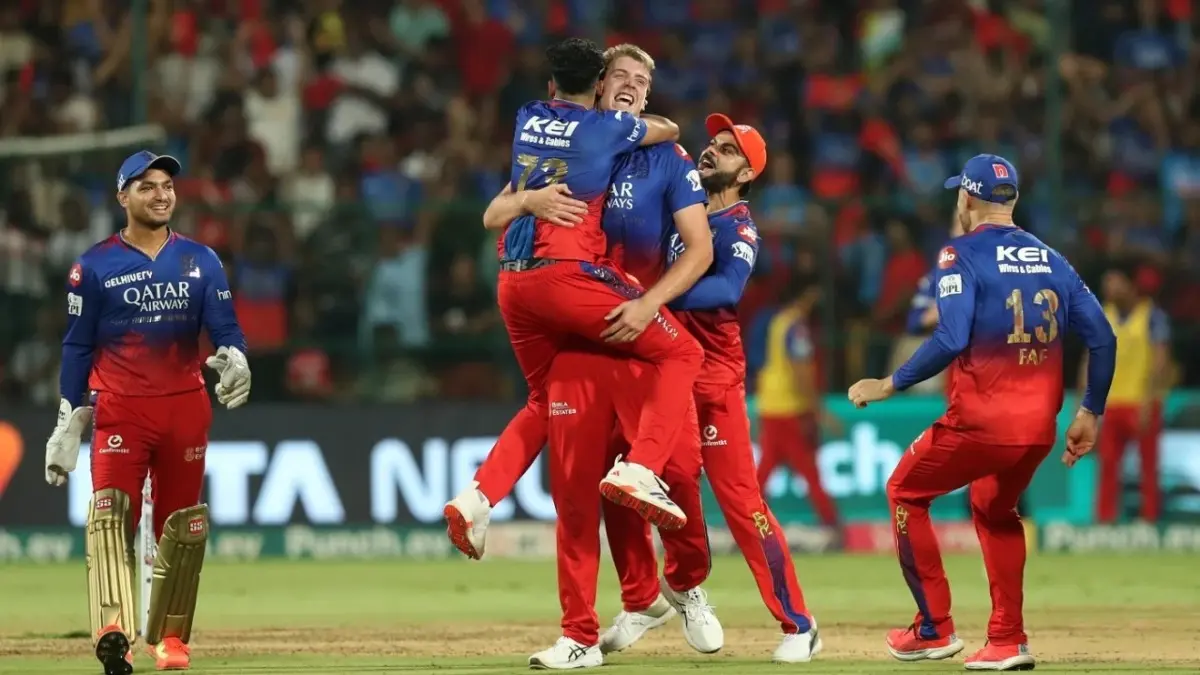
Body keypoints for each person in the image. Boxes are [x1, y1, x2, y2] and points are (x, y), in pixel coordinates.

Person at [847, 154, 1116, 671]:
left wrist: (889, 383)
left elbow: (951, 337)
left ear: (966, 198)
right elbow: (1103, 337)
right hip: (1039, 428)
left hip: (981, 423)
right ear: (1011, 200)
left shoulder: (958, 255)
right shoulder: (1053, 259)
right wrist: (1090, 412)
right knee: (994, 509)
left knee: (906, 491)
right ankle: (1008, 639)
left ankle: (933, 629)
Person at [445, 42, 713, 559]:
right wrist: (647, 304)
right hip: (573, 285)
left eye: (643, 80)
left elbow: (491, 216)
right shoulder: (605, 130)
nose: (632, 85)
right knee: (684, 353)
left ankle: (478, 498)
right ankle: (641, 470)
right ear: (598, 86)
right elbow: (670, 128)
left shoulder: (531, 119)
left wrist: (526, 198)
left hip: (515, 286)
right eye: (621, 76)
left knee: (541, 401)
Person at [603, 114, 822, 665]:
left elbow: (725, 287)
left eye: (726, 150)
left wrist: (654, 295)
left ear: (746, 173)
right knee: (645, 481)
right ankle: (666, 590)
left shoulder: (739, 228)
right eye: (712, 143)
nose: (711, 151)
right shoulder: (682, 214)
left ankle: (799, 623)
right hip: (660, 369)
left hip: (713, 378)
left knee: (741, 502)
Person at [43, 151, 251, 675]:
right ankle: (113, 632)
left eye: (166, 186)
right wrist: (70, 415)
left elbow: (224, 326)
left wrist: (236, 357)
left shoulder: (202, 259)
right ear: (122, 197)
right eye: (146, 187)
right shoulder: (91, 266)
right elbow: (76, 347)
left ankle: (173, 639)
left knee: (182, 526)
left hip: (185, 409)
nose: (161, 195)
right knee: (110, 514)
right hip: (119, 412)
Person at [1085, 262, 1171, 523]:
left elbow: (1160, 362)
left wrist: (1148, 401)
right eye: (1106, 283)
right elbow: (1090, 359)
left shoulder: (1153, 316)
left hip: (1141, 403)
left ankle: (1149, 520)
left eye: (1114, 282)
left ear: (1131, 285)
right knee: (1108, 466)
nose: (1108, 288)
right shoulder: (1103, 314)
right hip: (1111, 404)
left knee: (1148, 468)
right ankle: (1105, 523)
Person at [754, 275, 841, 529]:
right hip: (790, 408)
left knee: (765, 472)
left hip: (771, 405)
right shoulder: (796, 326)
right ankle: (831, 524)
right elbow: (801, 370)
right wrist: (817, 409)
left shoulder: (778, 322)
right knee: (809, 472)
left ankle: (747, 523)